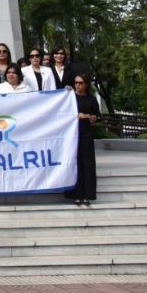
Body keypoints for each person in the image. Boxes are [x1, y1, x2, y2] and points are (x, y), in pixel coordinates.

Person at [66, 74, 99, 206]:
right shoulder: (70, 98)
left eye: (80, 83)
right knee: (75, 163)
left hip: (86, 134)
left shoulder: (91, 99)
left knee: (88, 164)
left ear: (86, 84)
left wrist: (89, 117)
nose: (78, 85)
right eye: (76, 83)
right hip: (72, 135)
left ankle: (87, 194)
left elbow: (97, 116)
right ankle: (76, 194)